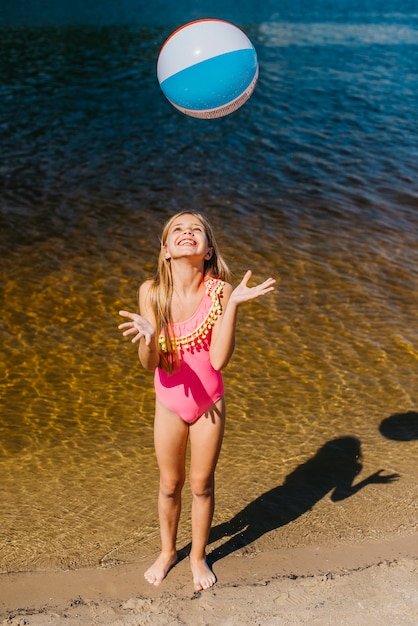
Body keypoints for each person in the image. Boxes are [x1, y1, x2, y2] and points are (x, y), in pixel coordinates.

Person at [118, 211, 275, 592]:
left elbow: (219, 361)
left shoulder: (219, 291)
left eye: (196, 230)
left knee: (202, 484)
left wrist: (233, 306)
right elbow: (149, 364)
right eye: (178, 230)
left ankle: (198, 555)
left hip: (210, 405)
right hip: (169, 404)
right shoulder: (150, 292)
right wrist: (150, 337)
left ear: (207, 250)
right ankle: (168, 550)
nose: (187, 233)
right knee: (170, 484)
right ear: (166, 249)